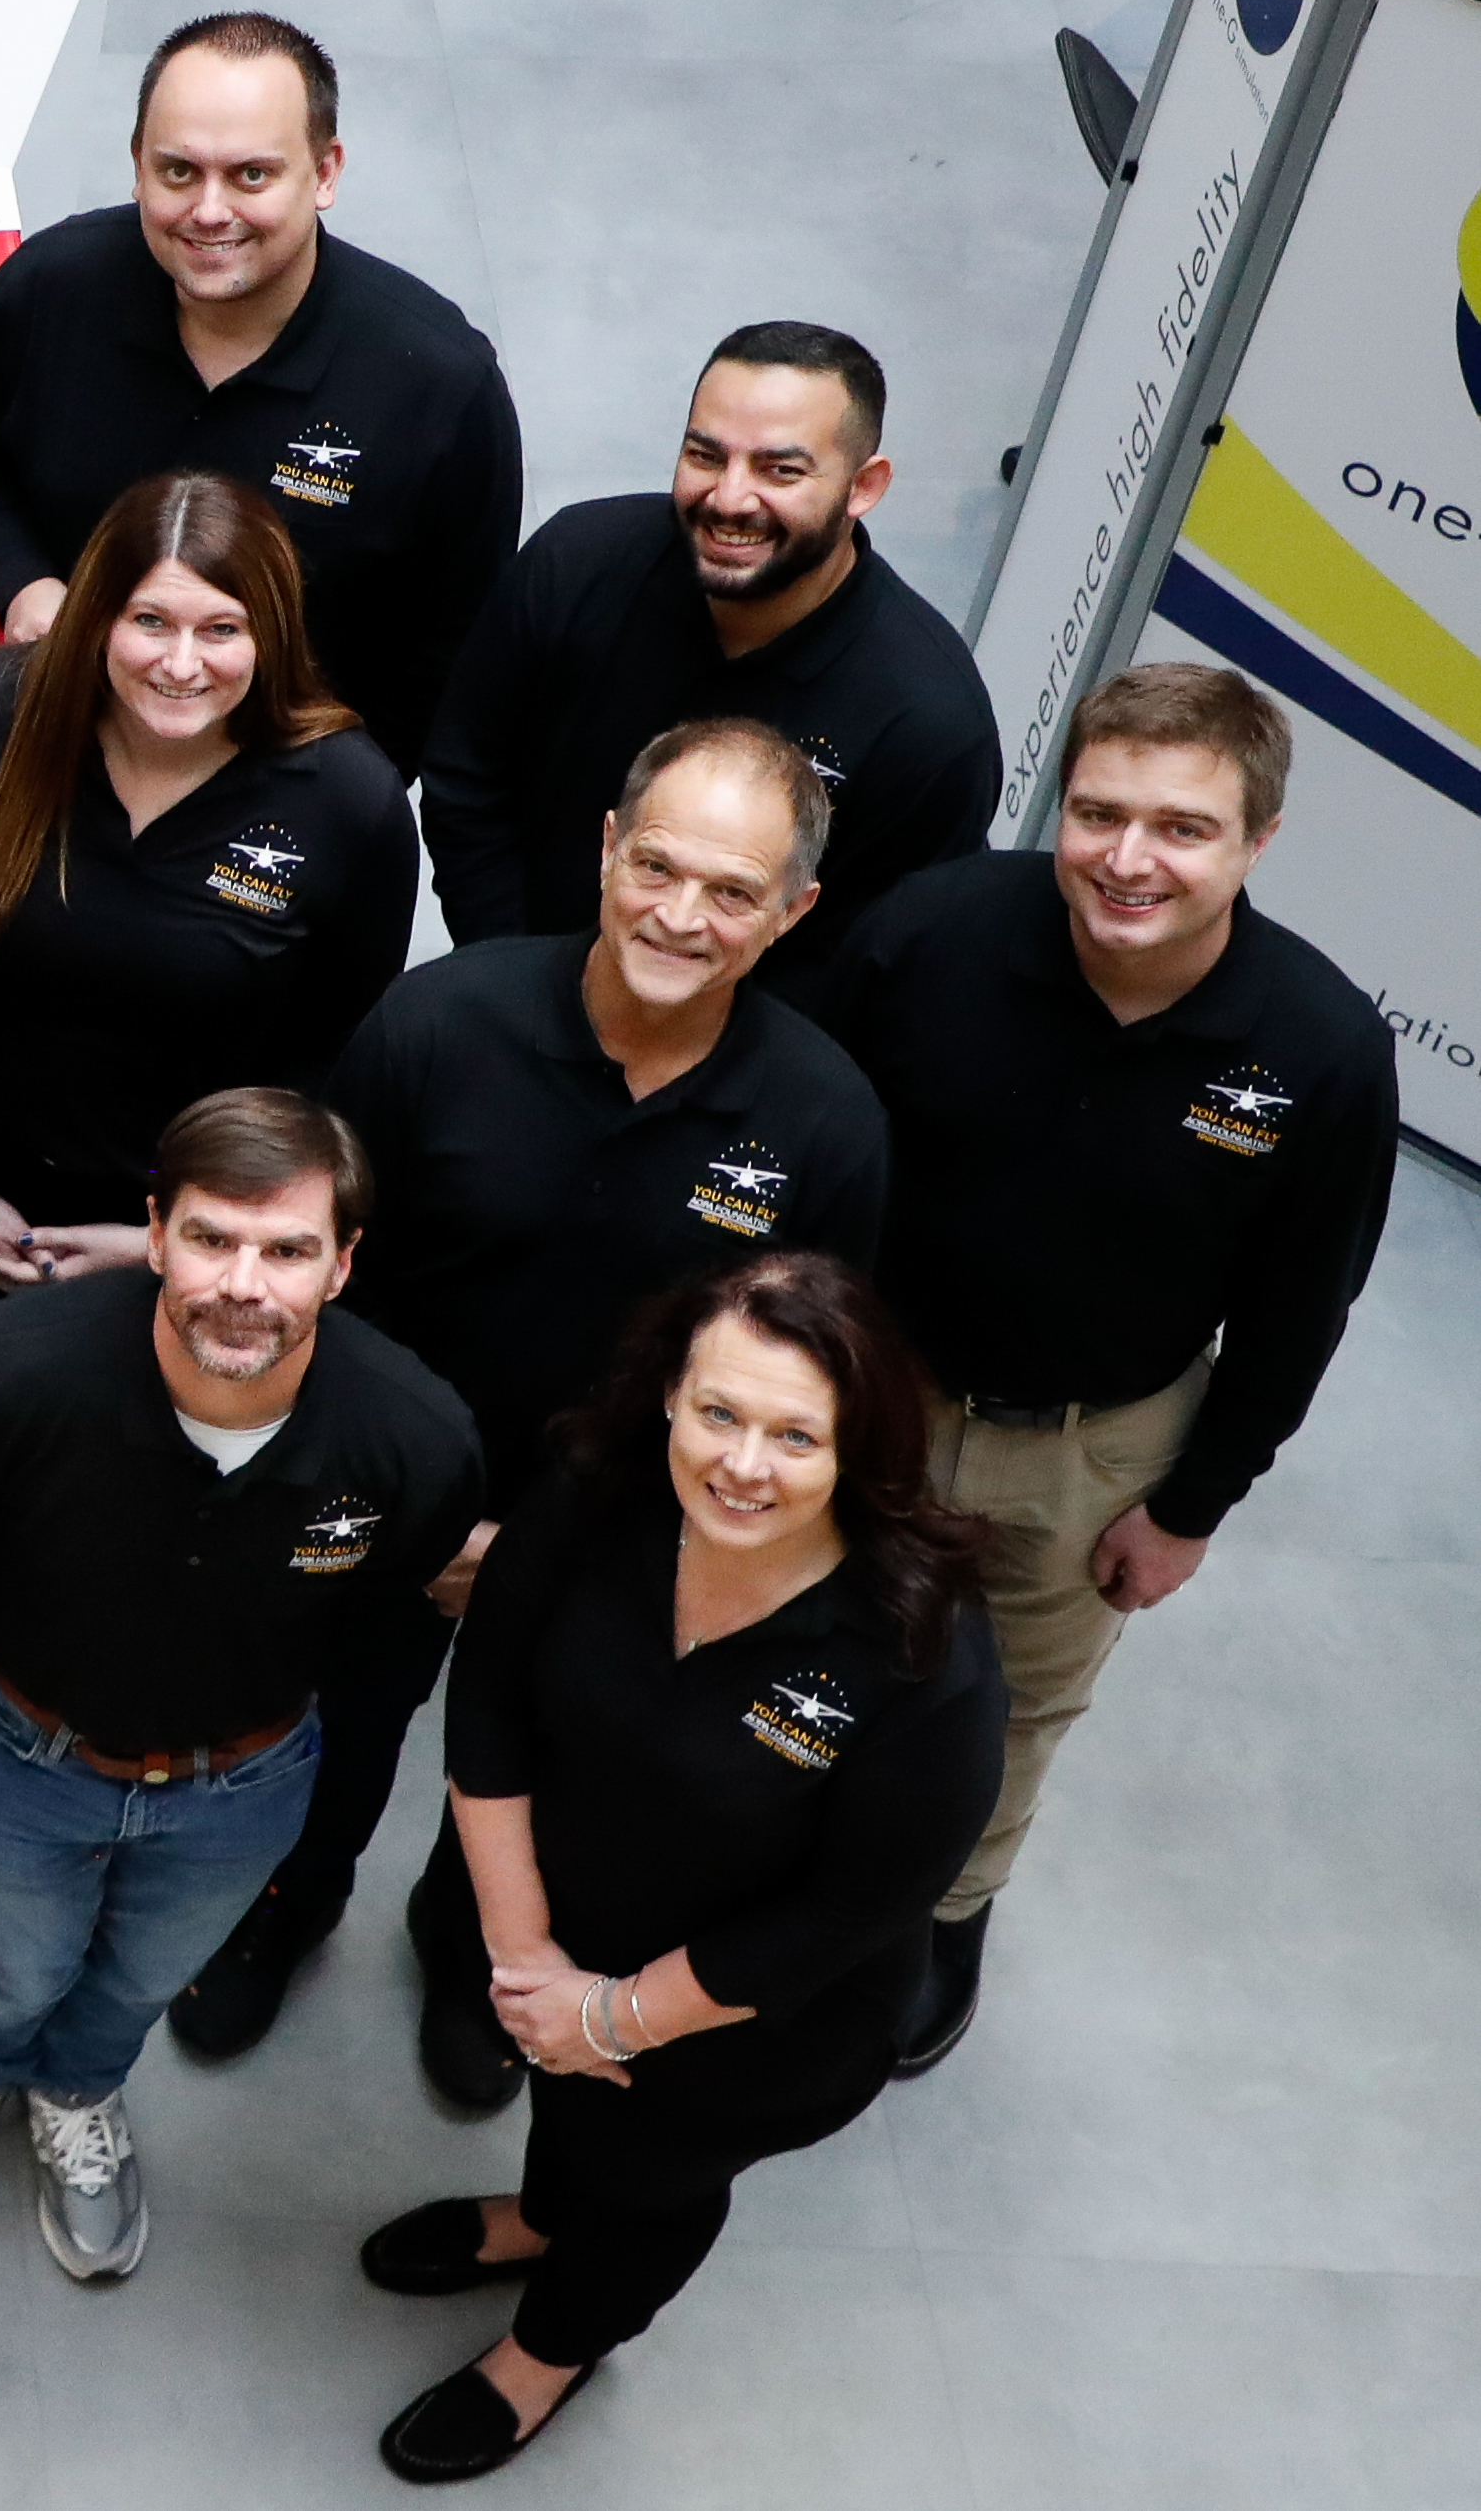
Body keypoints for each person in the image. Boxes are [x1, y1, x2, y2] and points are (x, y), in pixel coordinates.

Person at [168, 721, 886, 2081]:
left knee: (542, 1759)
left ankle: (464, 1951)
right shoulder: (438, 1023)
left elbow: (801, 1377)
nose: (679, 913)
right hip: (380, 1488)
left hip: (627, 1531)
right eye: (655, 864)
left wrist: (551, 1543)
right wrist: (412, 1512)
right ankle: (285, 1906)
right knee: (334, 1717)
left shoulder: (822, 1120)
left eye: (731, 891)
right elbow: (324, 1270)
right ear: (604, 848)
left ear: (792, 911)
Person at [825, 663, 1397, 2075]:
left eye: (1180, 827)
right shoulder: (926, 933)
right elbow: (808, 1144)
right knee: (805, 1642)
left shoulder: (1317, 1052)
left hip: (1092, 1448)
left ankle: (942, 1911)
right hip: (866, 1397)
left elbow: (1294, 1307)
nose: (1125, 860)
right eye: (1097, 811)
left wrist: (1191, 1505)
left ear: (1255, 840)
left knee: (1012, 1700)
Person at [358, 1255, 998, 2483]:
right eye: (720, 1413)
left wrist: (610, 2015)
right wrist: (524, 1953)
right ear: (667, 1395)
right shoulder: (595, 1495)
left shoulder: (924, 1654)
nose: (743, 1466)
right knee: (569, 2111)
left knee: (649, 2183)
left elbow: (844, 1917)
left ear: (858, 1446)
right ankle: (539, 2216)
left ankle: (554, 2348)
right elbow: (488, 1697)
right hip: (542, 1934)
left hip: (747, 2024)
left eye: (795, 1434)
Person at [0, 1091, 476, 2281]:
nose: (245, 1284)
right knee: (16, 1957)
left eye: (289, 1250)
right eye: (211, 1239)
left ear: (343, 1266)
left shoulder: (415, 1439)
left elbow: (391, 1613)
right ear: (153, 1232)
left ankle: (80, 2090)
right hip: (24, 1747)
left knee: (140, 1975)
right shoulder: (6, 1371)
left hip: (248, 1777)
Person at [0, 470, 418, 1754]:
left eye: (221, 628)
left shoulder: (350, 804)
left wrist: (173, 1243)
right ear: (93, 614)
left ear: (269, 636)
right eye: (150, 620)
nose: (181, 660)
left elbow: (324, 1067)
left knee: (119, 1454)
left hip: (182, 1226)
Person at [0, 10, 520, 775]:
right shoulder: (52, 287)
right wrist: (22, 579)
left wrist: (340, 795)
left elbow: (455, 641)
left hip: (279, 798)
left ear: (325, 172)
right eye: (178, 172)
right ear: (136, 164)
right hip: (63, 746)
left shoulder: (438, 384)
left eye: (250, 175)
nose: (208, 211)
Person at [420, 322, 997, 995]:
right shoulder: (574, 566)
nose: (729, 499)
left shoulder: (926, 721)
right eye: (704, 456)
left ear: (863, 487)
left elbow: (879, 961)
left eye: (779, 470)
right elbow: (467, 782)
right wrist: (515, 991)